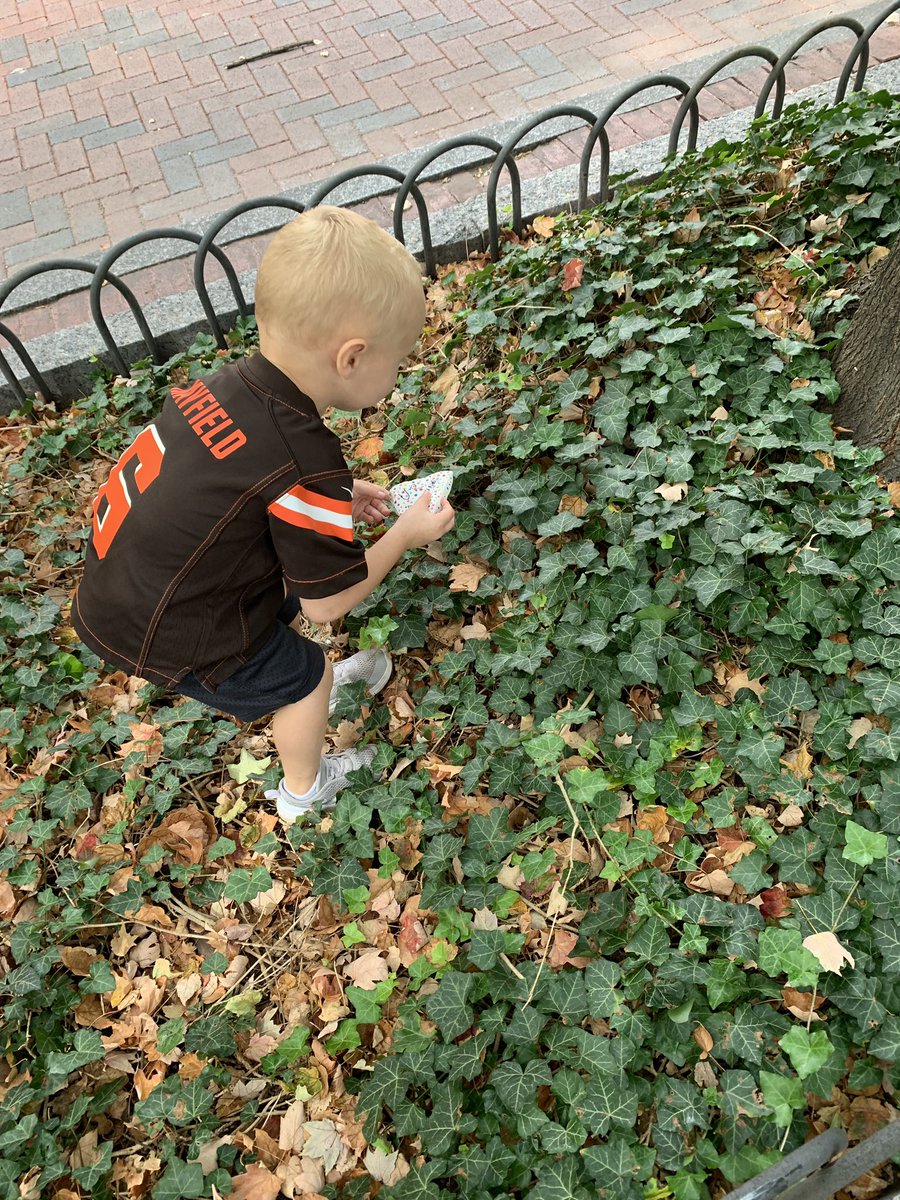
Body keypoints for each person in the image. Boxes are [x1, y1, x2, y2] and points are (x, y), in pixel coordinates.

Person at [72, 206, 455, 823]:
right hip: (170, 625)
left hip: (130, 582)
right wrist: (406, 535)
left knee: (276, 590)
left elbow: (238, 479)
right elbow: (327, 604)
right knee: (303, 677)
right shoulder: (300, 454)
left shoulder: (228, 386)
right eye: (399, 358)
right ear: (351, 357)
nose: (400, 371)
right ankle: (305, 790)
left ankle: (318, 700)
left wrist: (335, 493)